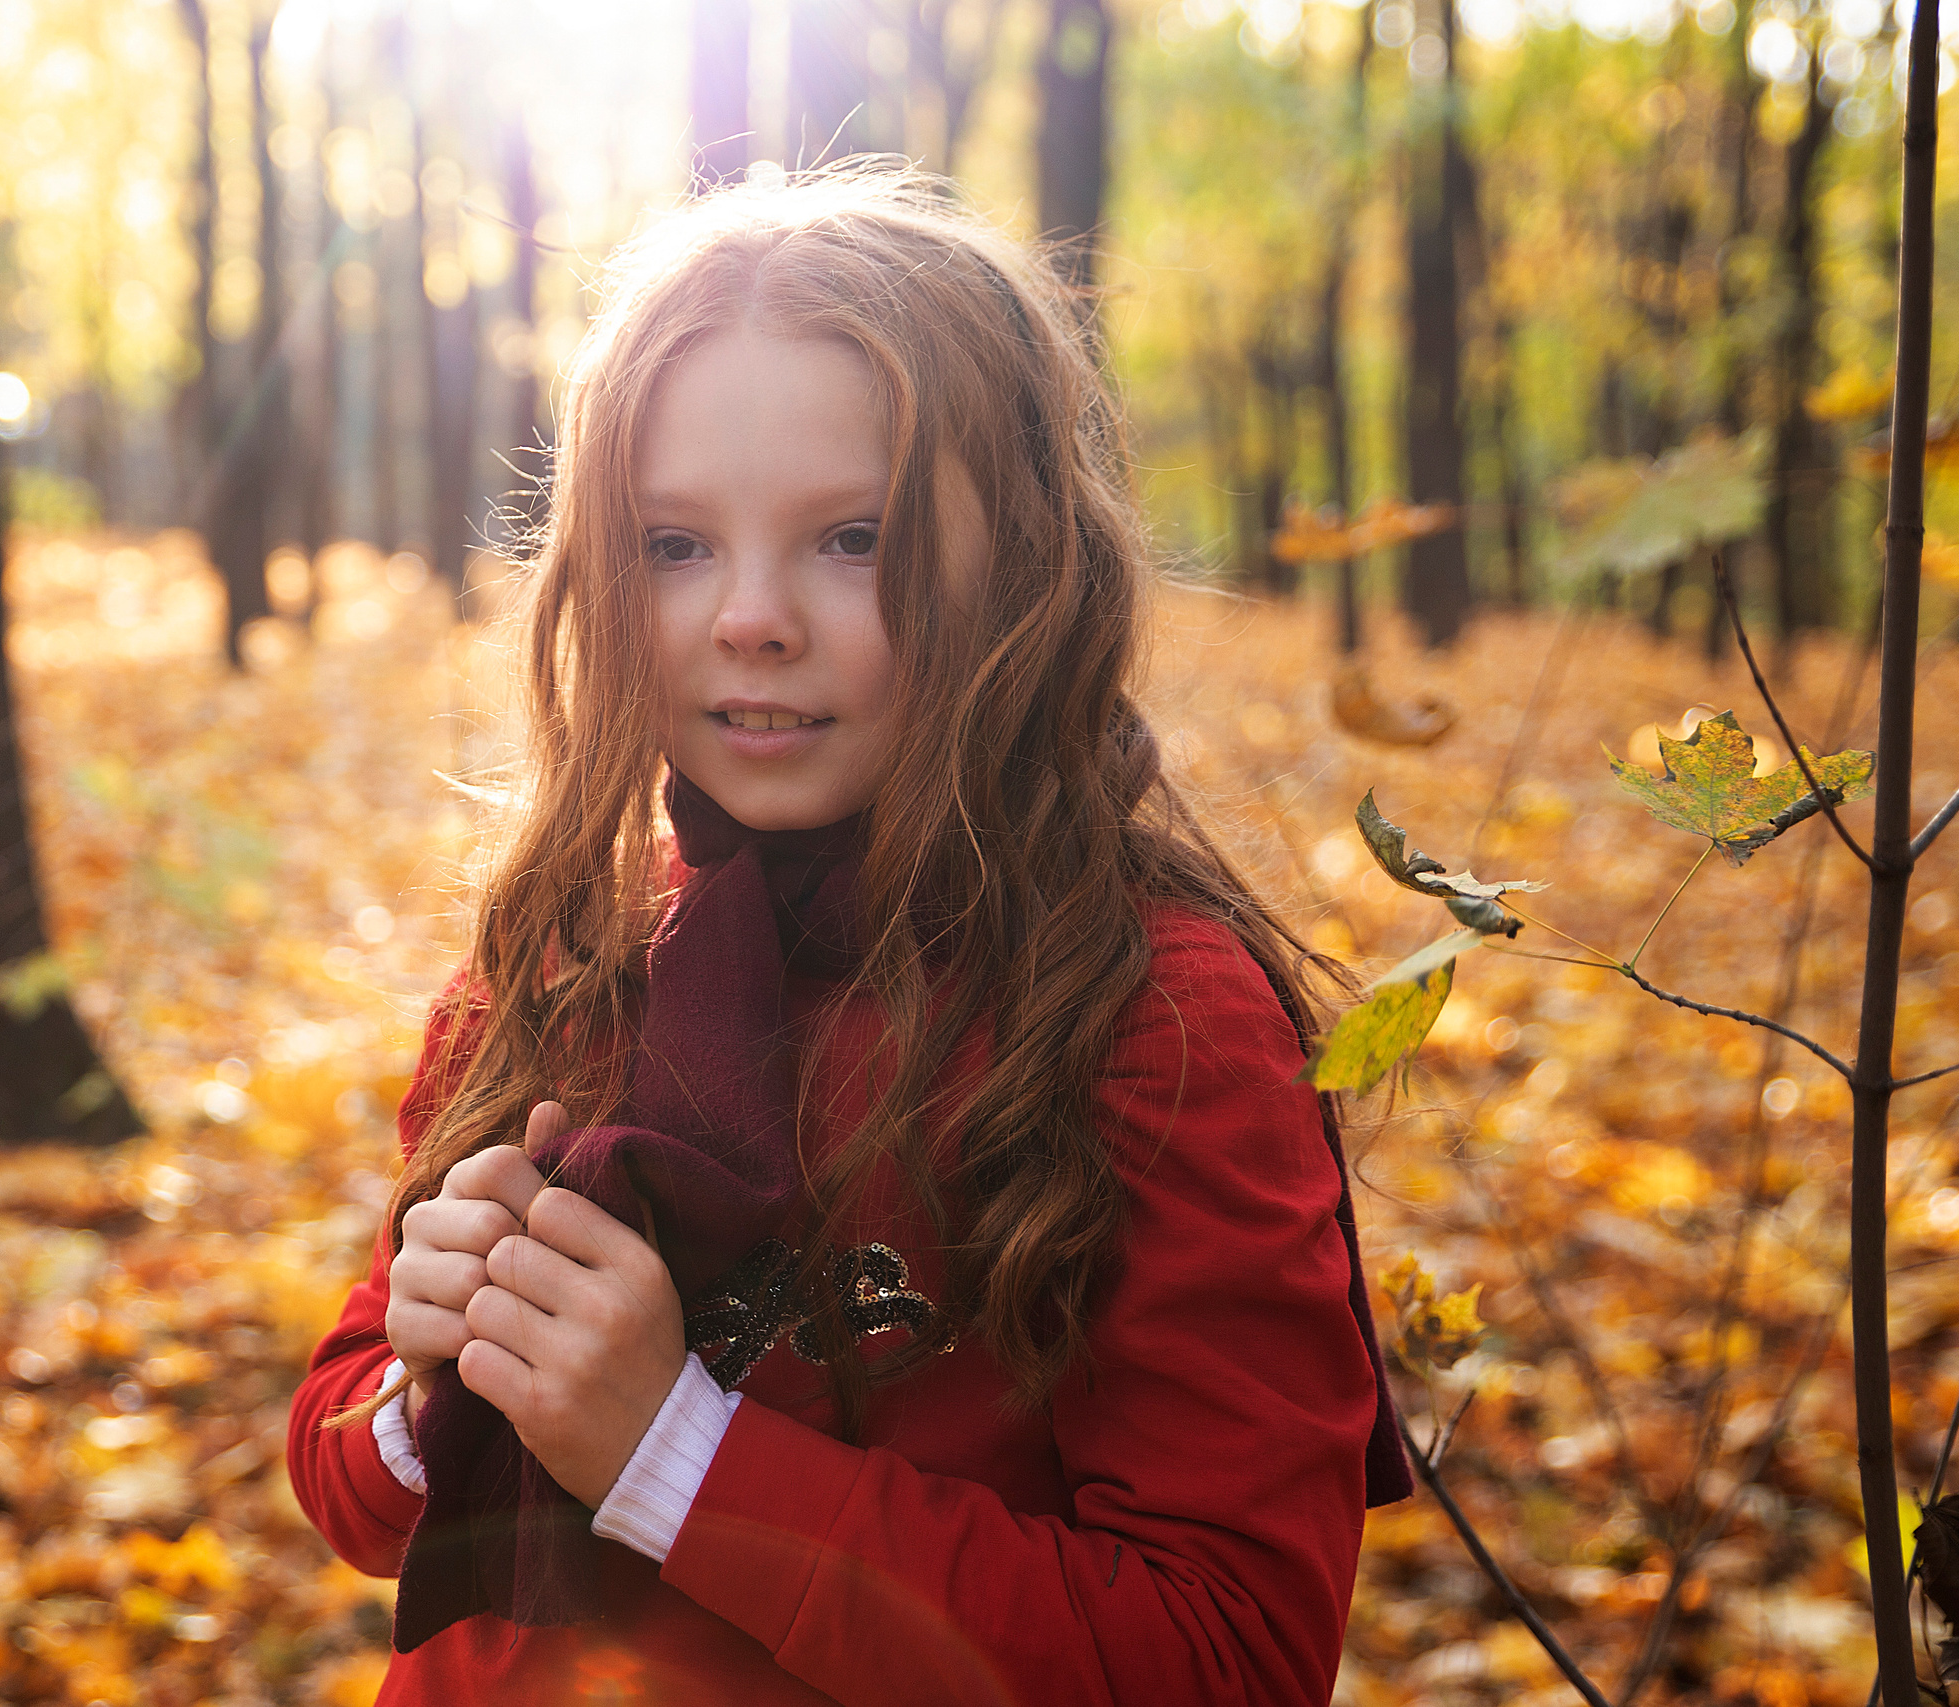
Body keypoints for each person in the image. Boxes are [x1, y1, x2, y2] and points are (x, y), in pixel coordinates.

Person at [286, 168, 1406, 1707]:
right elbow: (345, 1473)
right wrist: (427, 1394)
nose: (751, 615)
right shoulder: (564, 958)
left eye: (852, 536)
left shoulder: (1149, 1015)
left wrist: (673, 1455)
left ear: (1019, 565)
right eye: (676, 544)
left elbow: (1227, 1654)